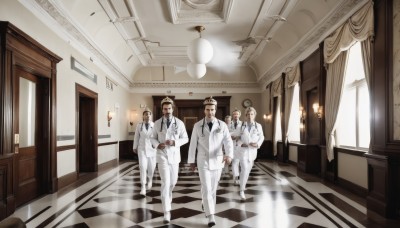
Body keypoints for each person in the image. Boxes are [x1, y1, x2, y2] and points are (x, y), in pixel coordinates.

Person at [188, 97, 233, 227]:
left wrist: (229, 155)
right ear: (204, 110)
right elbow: (192, 145)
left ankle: (205, 203)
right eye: (207, 109)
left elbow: (228, 142)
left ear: (215, 110)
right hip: (203, 161)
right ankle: (211, 216)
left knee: (212, 189)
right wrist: (191, 161)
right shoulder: (197, 125)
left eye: (212, 110)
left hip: (218, 160)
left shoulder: (222, 125)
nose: (210, 112)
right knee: (207, 187)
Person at [150, 97, 188, 224]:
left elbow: (185, 138)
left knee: (173, 182)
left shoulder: (179, 123)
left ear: (173, 109)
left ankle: (167, 197)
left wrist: (175, 142)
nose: (167, 111)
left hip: (174, 156)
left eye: (169, 108)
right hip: (162, 155)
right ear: (162, 110)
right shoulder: (156, 123)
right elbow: (152, 138)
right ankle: (167, 211)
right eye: (165, 109)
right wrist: (156, 145)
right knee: (165, 182)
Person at [234, 107, 264, 200]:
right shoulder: (241, 125)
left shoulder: (258, 126)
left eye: (252, 114)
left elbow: (262, 137)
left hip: (252, 151)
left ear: (254, 115)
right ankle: (242, 190)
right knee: (244, 169)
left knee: (247, 170)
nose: (250, 116)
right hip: (243, 151)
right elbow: (237, 137)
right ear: (245, 115)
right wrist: (241, 144)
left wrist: (258, 144)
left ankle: (242, 185)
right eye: (248, 114)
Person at [133, 107, 156, 196]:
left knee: (151, 167)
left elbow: (157, 137)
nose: (148, 116)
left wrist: (157, 145)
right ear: (143, 116)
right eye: (146, 115)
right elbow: (136, 137)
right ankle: (143, 186)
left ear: (151, 116)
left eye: (149, 115)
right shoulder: (139, 125)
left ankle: (150, 179)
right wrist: (134, 147)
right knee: (142, 166)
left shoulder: (154, 125)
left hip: (152, 149)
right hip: (142, 149)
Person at [230, 108, 243, 185]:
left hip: (240, 144)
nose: (235, 115)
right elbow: (226, 133)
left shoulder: (243, 124)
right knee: (235, 162)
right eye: (234, 114)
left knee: (241, 162)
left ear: (239, 115)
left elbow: (244, 133)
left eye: (237, 114)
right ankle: (236, 177)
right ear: (232, 115)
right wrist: (230, 137)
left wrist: (238, 137)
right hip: (231, 144)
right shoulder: (229, 124)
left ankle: (241, 176)